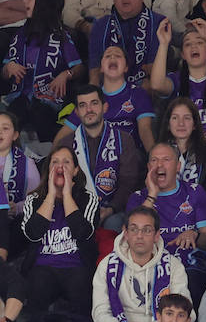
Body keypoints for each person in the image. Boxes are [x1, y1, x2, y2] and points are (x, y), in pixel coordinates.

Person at [88, 207, 190, 322]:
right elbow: (99, 312)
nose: (140, 236)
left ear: (157, 235)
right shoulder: (107, 265)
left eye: (147, 230)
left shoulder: (173, 266)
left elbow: (188, 313)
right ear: (125, 233)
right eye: (134, 229)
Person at [19, 147, 98, 322]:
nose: (60, 167)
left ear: (76, 170)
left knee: (81, 284)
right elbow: (32, 234)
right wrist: (52, 194)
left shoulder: (88, 198)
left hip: (76, 266)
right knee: (38, 283)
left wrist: (68, 194)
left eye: (66, 162)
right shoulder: (34, 200)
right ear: (48, 169)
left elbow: (83, 233)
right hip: (43, 266)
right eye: (55, 162)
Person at [125, 144, 206, 299]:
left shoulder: (195, 191)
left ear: (178, 166)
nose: (159, 165)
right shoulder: (138, 198)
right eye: (154, 160)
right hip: (150, 263)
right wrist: (152, 195)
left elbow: (205, 244)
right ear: (148, 167)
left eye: (166, 159)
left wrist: (195, 234)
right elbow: (131, 238)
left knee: (192, 279)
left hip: (189, 264)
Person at [56, 83, 143, 227]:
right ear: (76, 112)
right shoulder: (66, 144)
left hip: (113, 210)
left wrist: (111, 208)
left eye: (94, 103)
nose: (89, 109)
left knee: (113, 223)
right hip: (75, 209)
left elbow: (129, 182)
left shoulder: (124, 140)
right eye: (83, 105)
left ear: (105, 107)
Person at [1, 0, 80, 139]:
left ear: (42, 3)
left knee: (43, 118)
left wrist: (66, 74)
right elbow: (4, 73)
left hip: (48, 100)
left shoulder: (61, 37)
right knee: (9, 120)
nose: (24, 1)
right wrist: (9, 67)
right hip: (19, 97)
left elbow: (79, 67)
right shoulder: (19, 35)